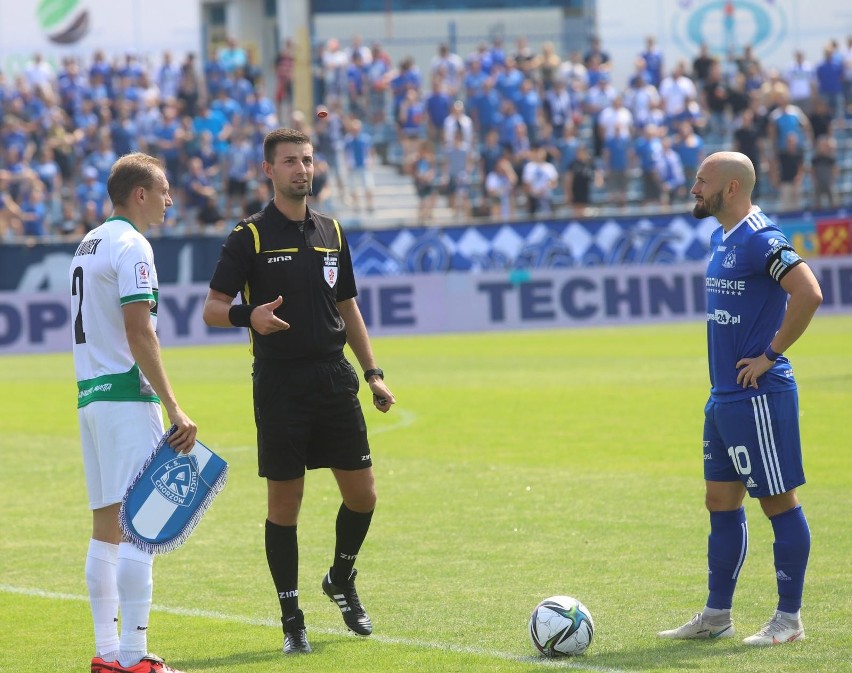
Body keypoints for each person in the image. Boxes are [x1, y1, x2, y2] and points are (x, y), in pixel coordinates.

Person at [201, 128, 395, 656]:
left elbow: (347, 305)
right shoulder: (250, 236)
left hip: (335, 378)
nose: (301, 170)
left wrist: (373, 372)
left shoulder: (332, 231)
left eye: (307, 160)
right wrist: (250, 317)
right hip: (281, 384)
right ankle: (292, 619)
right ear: (269, 170)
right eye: (289, 162)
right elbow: (212, 307)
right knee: (286, 505)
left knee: (364, 495)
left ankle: (340, 578)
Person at [659, 151, 822, 646]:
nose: (693, 189)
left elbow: (809, 292)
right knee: (719, 502)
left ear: (731, 188)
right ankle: (716, 615)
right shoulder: (720, 236)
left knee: (779, 503)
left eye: (701, 181)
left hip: (759, 396)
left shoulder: (761, 238)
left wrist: (770, 354)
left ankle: (788, 621)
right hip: (724, 397)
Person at [70, 153, 197, 673]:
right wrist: (173, 405)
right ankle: (135, 656)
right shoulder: (132, 244)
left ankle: (107, 653)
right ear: (139, 194)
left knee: (106, 527)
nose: (170, 200)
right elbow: (138, 328)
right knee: (141, 526)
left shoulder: (87, 243)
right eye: (163, 190)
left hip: (90, 398)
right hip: (126, 397)